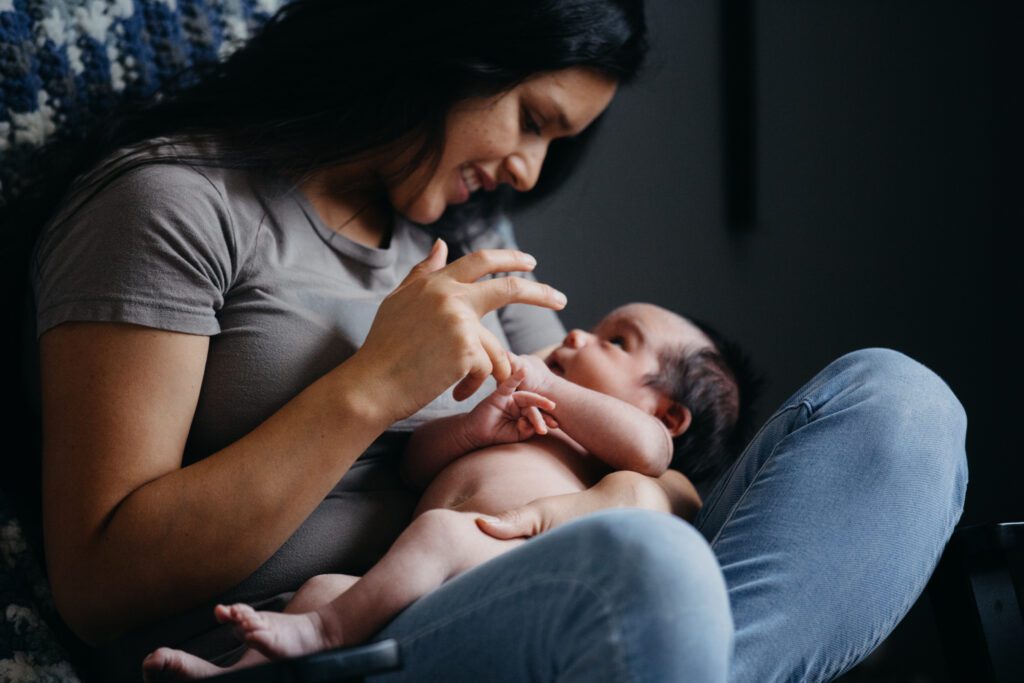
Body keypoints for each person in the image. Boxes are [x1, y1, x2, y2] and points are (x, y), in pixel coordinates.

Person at [12, 0, 967, 681]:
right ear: (446, 40)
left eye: (559, 142)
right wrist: (372, 388)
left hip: (543, 608)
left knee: (898, 406)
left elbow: (638, 475)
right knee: (651, 574)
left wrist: (639, 492)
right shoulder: (174, 206)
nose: (526, 168)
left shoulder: (475, 247)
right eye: (531, 120)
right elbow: (99, 581)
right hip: (299, 642)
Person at [141, 302, 757, 679]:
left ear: (670, 413)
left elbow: (650, 450)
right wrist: (471, 429)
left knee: (437, 533)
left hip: (504, 578)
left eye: (615, 341)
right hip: (413, 597)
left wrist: (549, 383)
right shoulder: (530, 420)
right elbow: (414, 469)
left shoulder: (619, 451)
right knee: (324, 589)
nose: (576, 337)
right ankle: (241, 673)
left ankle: (326, 634)